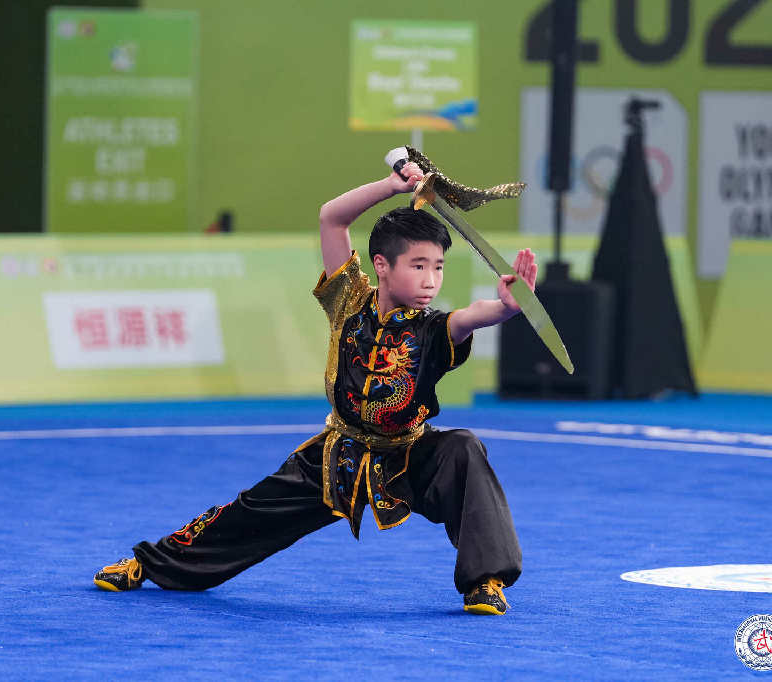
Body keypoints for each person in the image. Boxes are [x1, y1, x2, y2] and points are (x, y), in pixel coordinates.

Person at [94, 161, 537, 615]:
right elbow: (332, 218)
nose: (431, 279)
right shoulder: (349, 302)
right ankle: (152, 564)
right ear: (381, 266)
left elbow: (471, 316)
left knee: (464, 448)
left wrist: (505, 308)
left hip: (409, 455)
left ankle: (486, 582)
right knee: (249, 512)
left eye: (438, 267)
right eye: (418, 265)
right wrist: (389, 186)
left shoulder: (434, 328)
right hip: (337, 454)